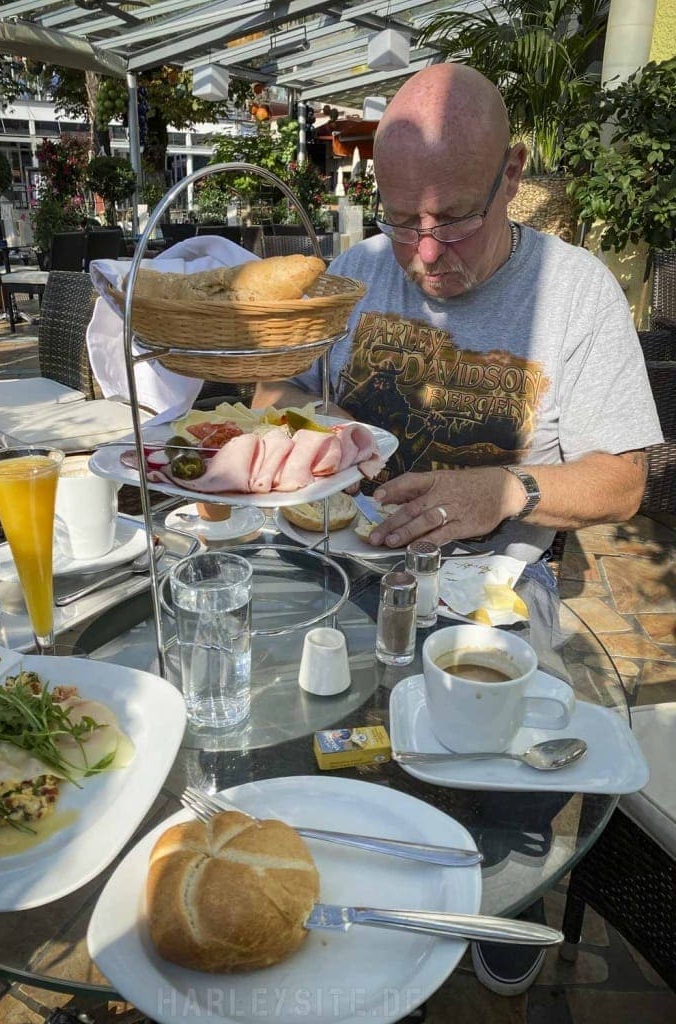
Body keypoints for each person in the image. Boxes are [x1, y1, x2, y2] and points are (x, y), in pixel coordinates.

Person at [254, 63, 663, 996]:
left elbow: (624, 482)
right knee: (269, 699)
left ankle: (503, 890)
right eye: (402, 218)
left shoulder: (578, 294)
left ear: (512, 174)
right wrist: (315, 436)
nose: (424, 253)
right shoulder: (355, 275)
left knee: (508, 770)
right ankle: (332, 867)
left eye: (452, 220)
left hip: (497, 594)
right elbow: (276, 395)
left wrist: (506, 490)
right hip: (346, 573)